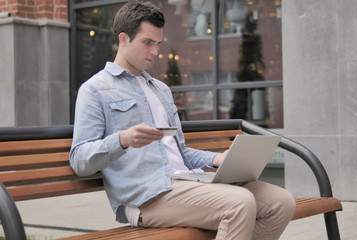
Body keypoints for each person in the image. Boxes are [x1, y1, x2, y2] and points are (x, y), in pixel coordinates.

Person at [70, 1, 295, 239]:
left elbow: (178, 152)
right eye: (147, 42)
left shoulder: (160, 90)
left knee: (281, 202)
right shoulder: (95, 90)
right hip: (146, 197)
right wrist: (123, 139)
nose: (155, 52)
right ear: (123, 39)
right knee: (240, 203)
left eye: (157, 44)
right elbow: (80, 160)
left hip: (187, 181)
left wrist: (217, 159)